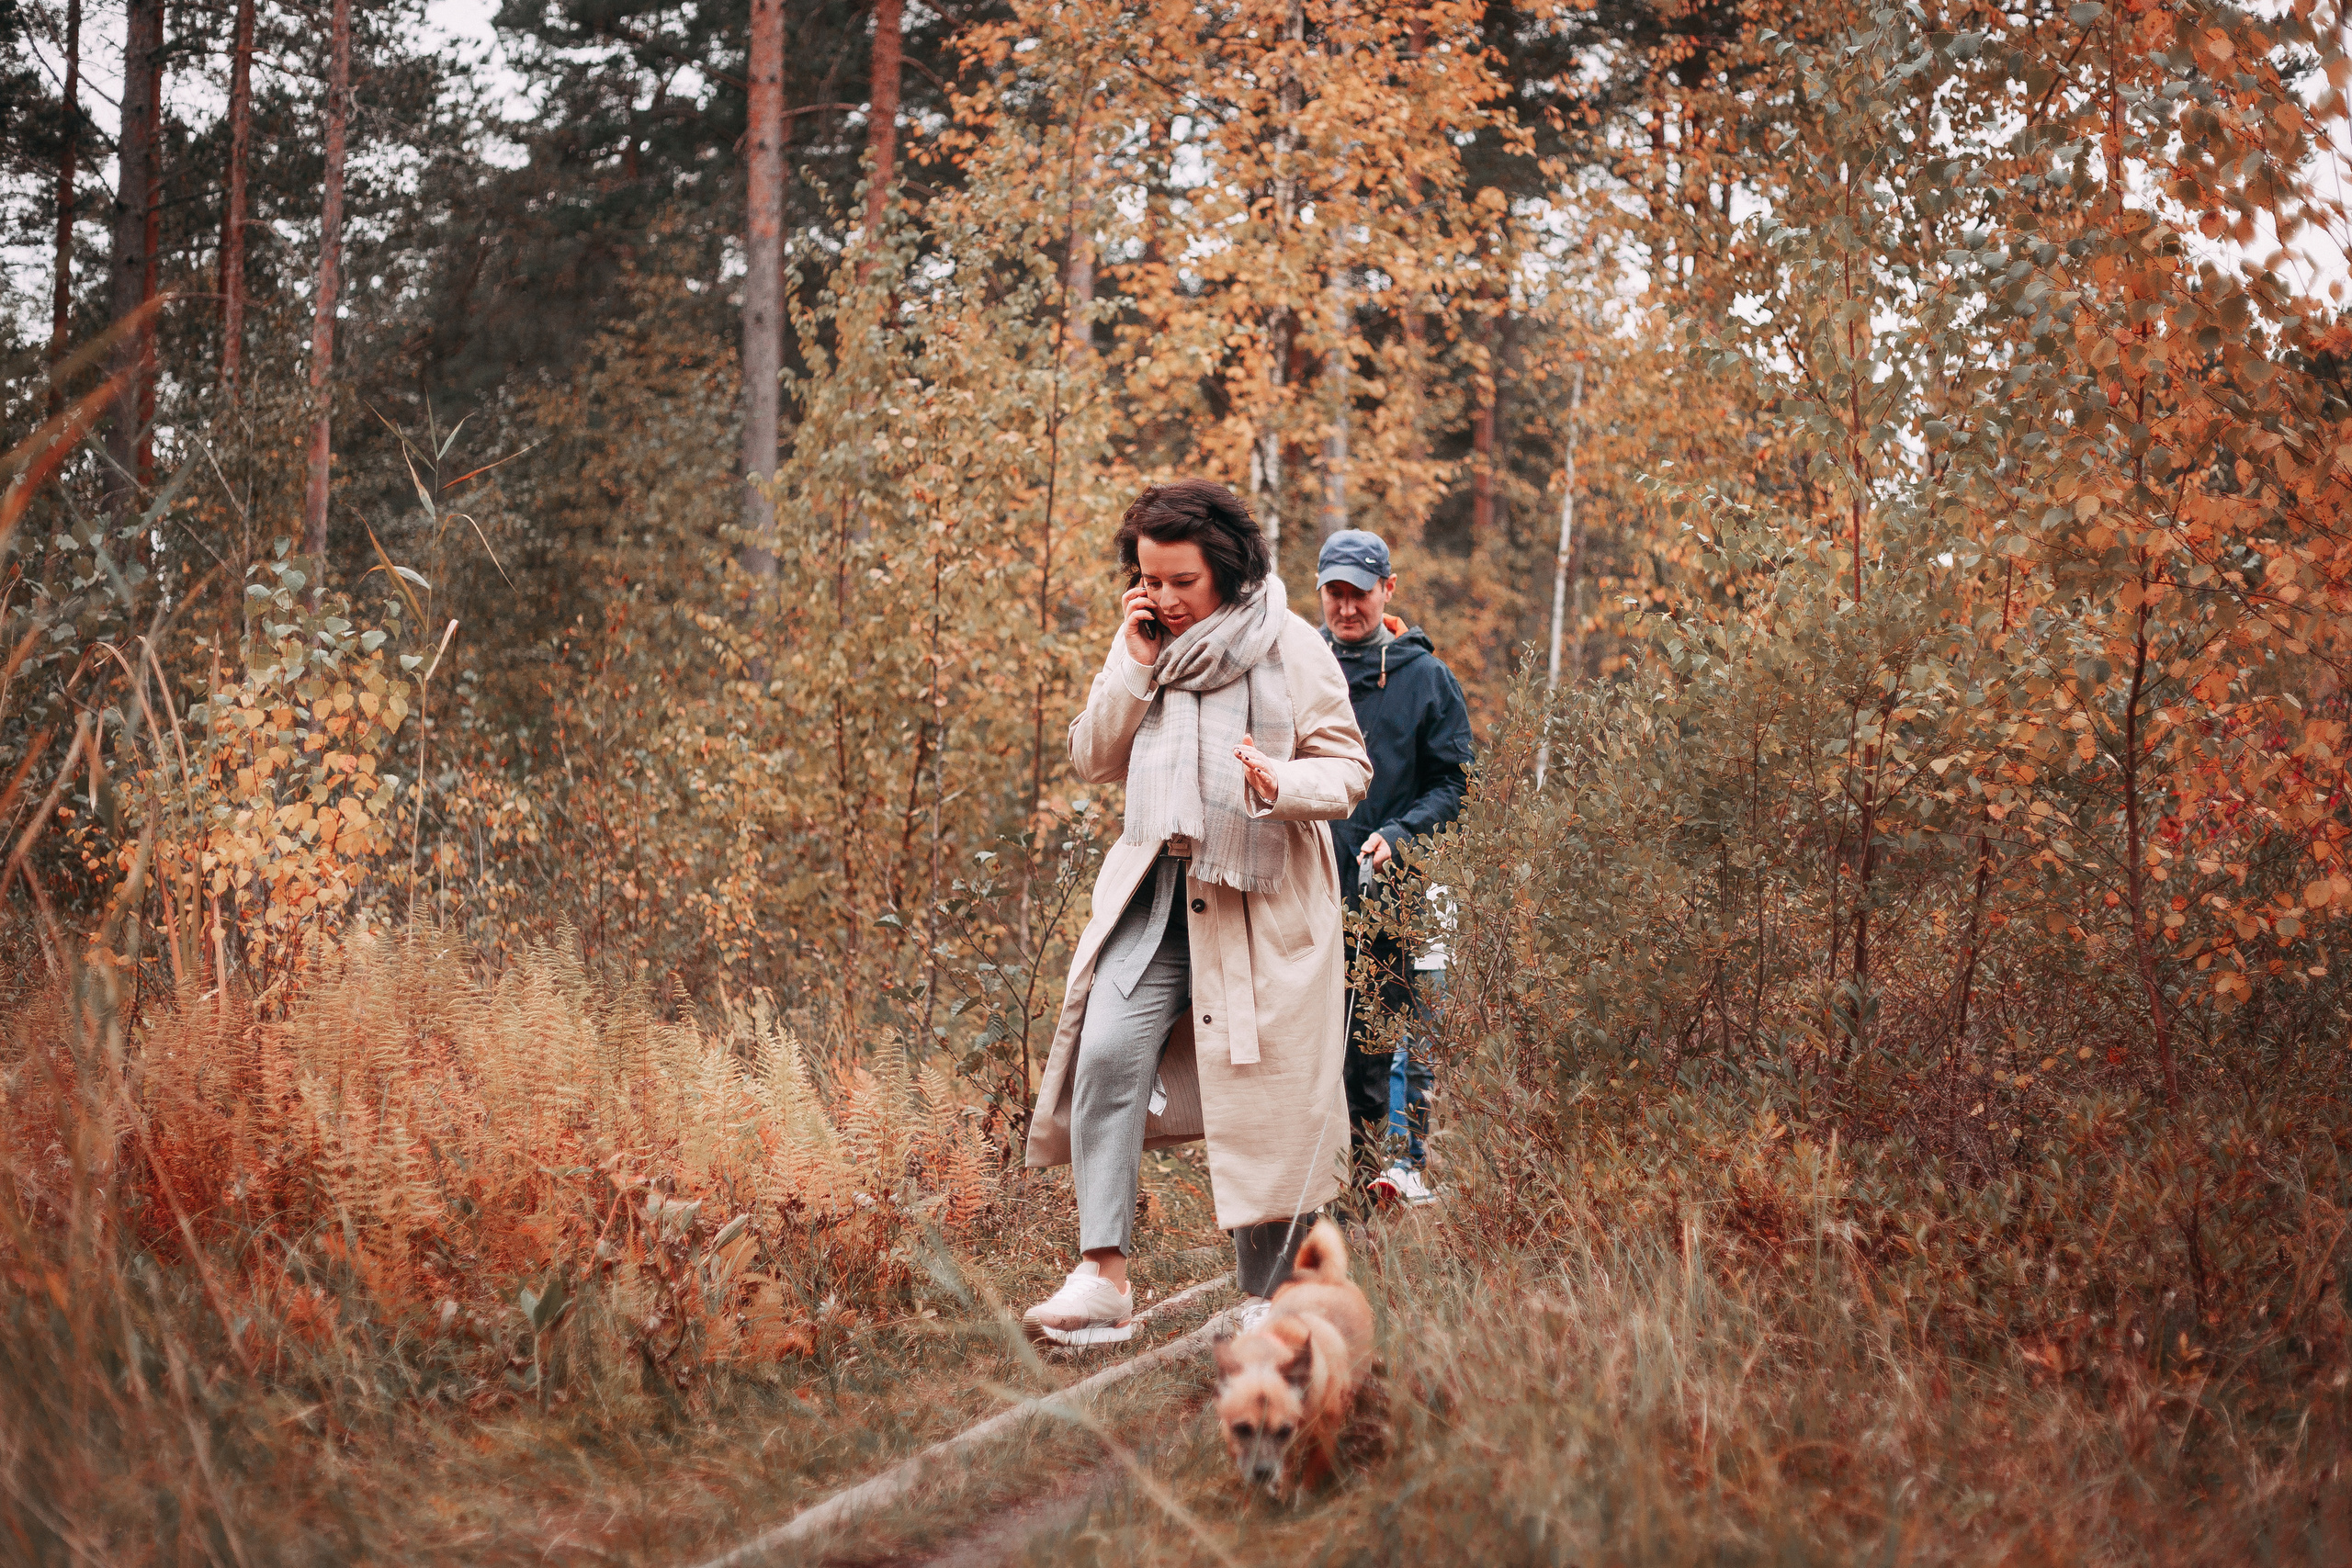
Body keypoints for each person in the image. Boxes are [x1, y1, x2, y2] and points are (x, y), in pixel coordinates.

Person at [1023, 479, 1371, 1345]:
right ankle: (1102, 1274)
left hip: (1261, 895)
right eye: (1150, 579)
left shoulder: (1290, 644)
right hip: (1159, 887)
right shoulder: (1146, 644)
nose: (1167, 598)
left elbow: (1348, 768)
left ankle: (1271, 1293)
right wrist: (1133, 663)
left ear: (1223, 567)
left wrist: (1279, 783)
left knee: (1264, 1091)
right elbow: (1092, 755)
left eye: (1182, 580)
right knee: (1105, 1051)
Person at [1314, 529, 1474, 1208]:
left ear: (1389, 589)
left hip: (1397, 890)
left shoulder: (1426, 678)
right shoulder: (1303, 667)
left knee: (1388, 1042)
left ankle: (1394, 1175)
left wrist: (1399, 834)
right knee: (1325, 1046)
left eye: (1360, 592)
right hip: (1312, 891)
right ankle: (1331, 1190)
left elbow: (1457, 783)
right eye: (1335, 593)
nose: (1347, 607)